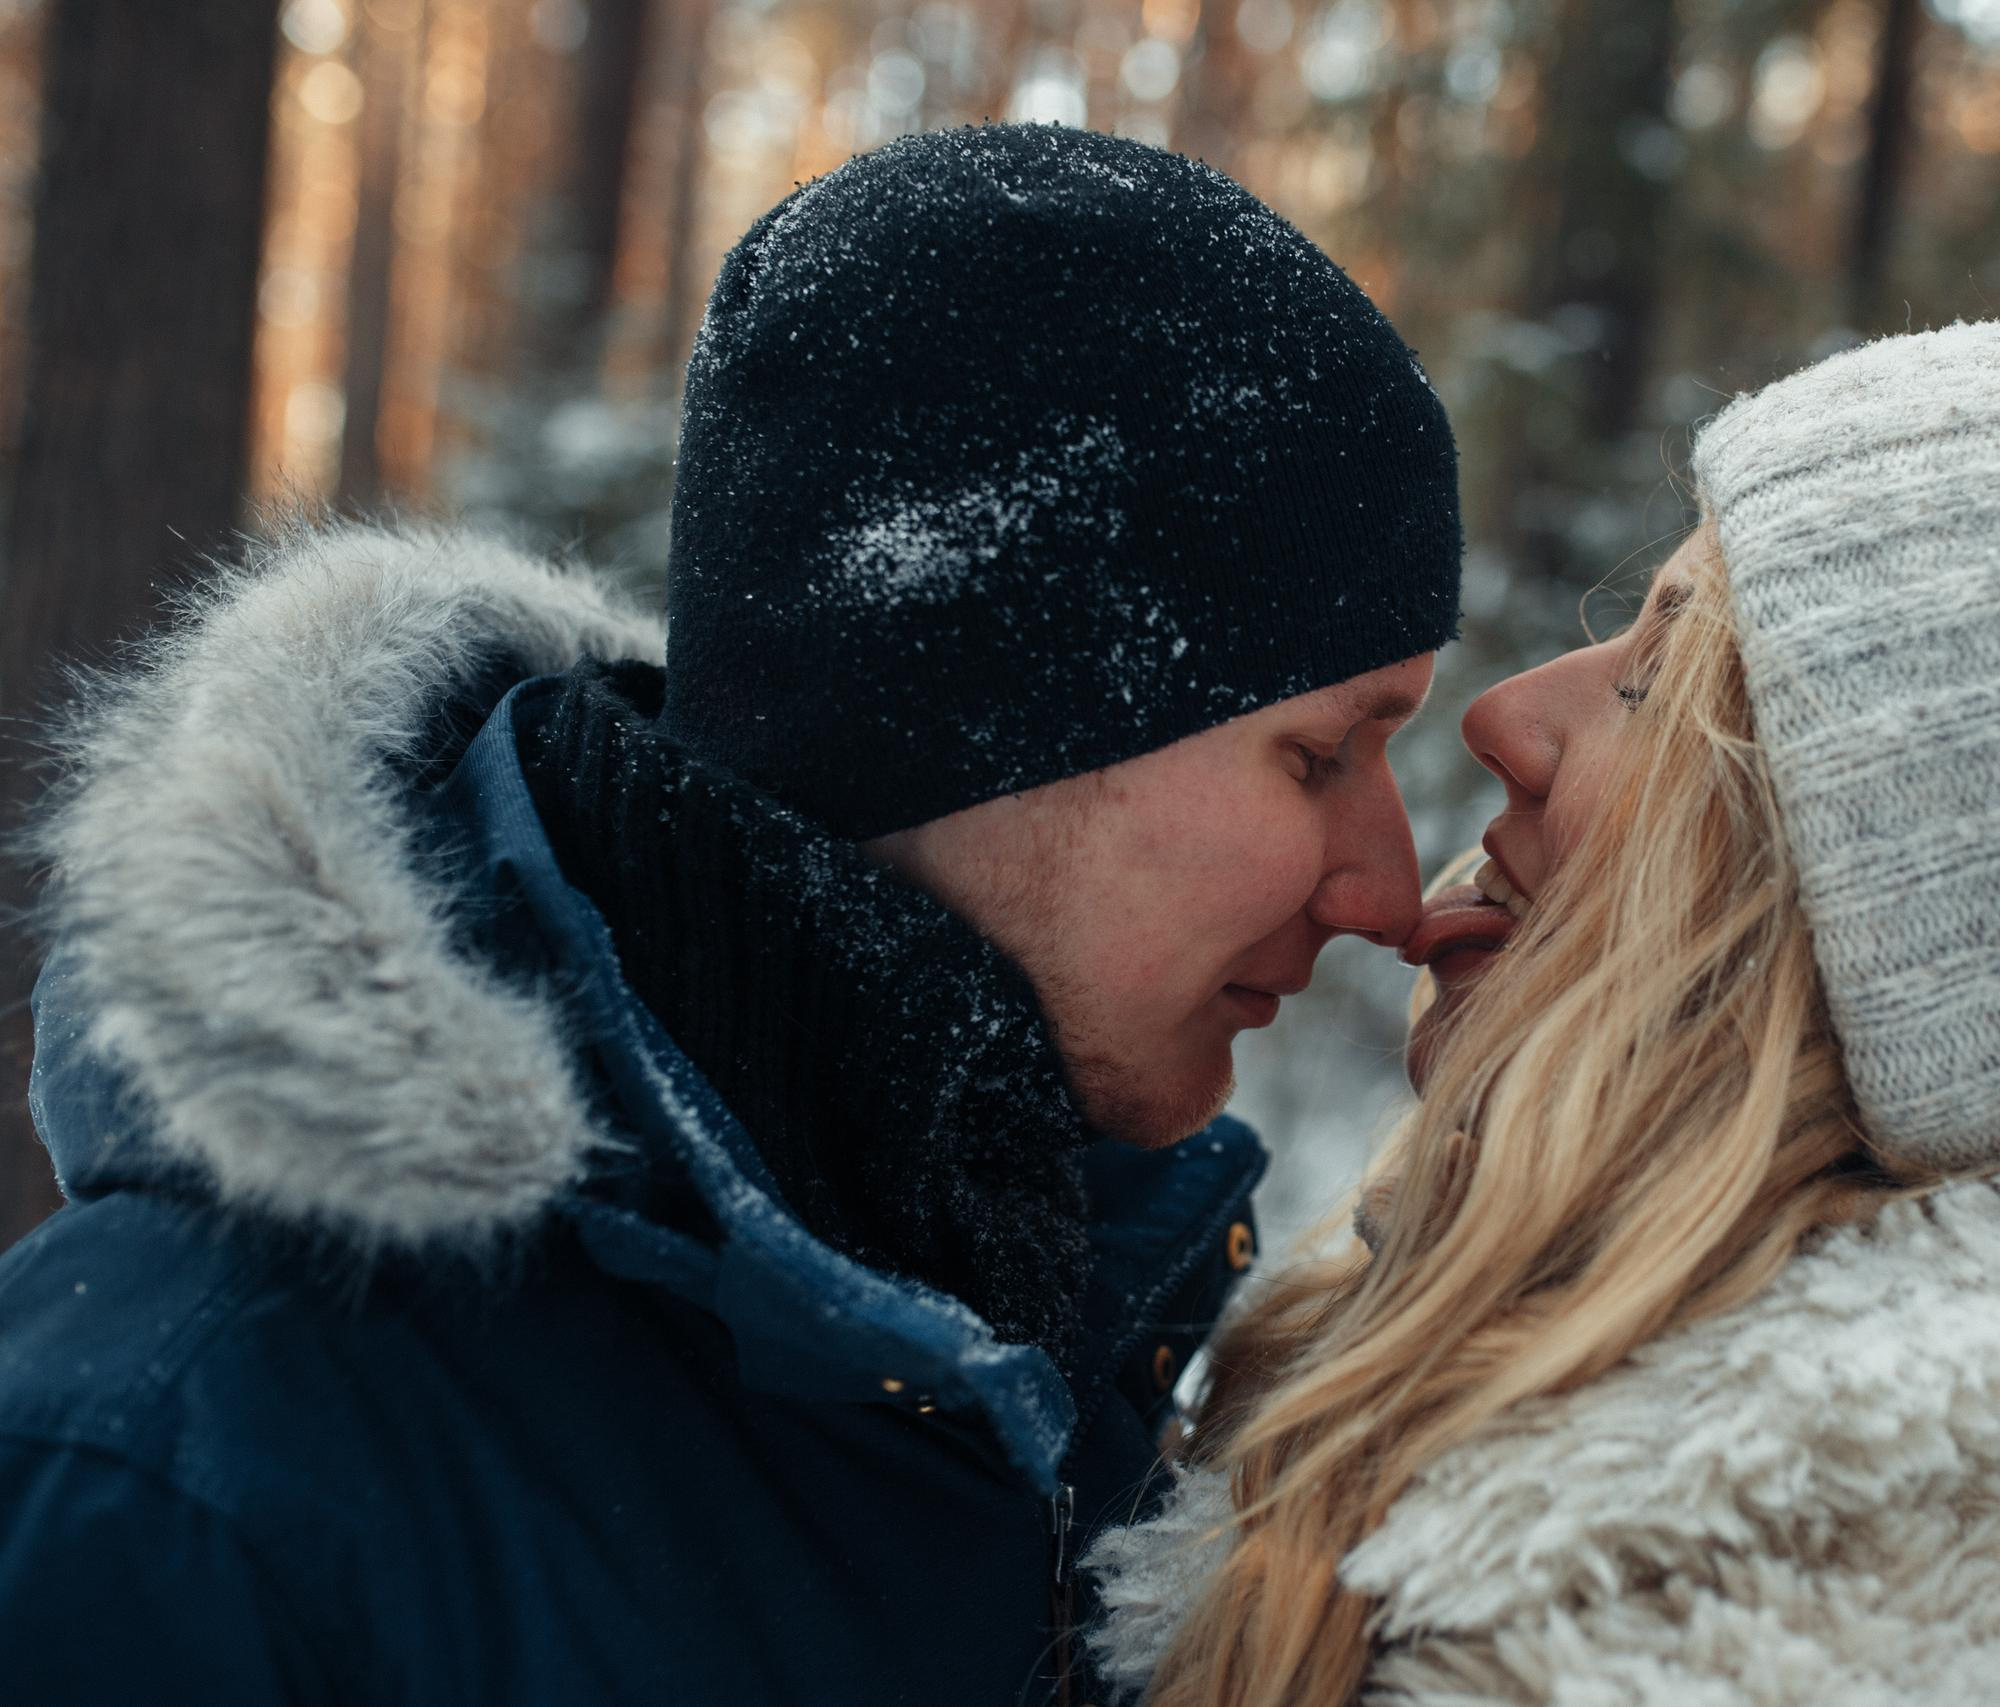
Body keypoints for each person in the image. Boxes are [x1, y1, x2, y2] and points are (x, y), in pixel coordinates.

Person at [0, 125, 1460, 1704]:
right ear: (981, 712)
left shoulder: (1058, 1365)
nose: (1387, 886)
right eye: (1316, 753)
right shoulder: (166, 1472)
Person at [1086, 321, 2000, 1706]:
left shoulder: (1744, 1658)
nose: (1506, 720)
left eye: (1658, 687)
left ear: (1881, 951)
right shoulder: (1515, 1494)